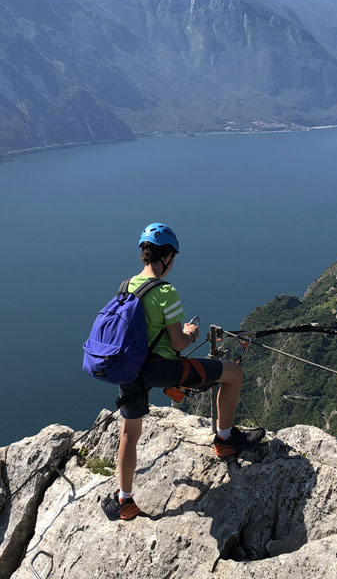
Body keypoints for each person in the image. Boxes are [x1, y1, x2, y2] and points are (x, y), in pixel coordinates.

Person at [102, 222, 265, 521]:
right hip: (162, 370)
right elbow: (178, 341)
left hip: (129, 369)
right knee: (232, 374)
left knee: (129, 433)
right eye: (173, 258)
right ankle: (225, 440)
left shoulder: (126, 286)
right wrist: (191, 332)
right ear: (167, 257)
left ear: (144, 254)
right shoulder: (166, 292)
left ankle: (124, 500)